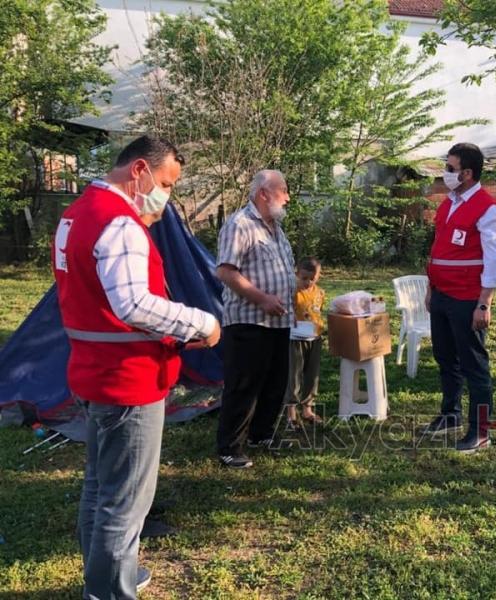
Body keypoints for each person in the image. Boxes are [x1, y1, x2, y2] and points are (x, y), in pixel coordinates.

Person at [52, 135, 221, 599]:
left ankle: (107, 575)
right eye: (166, 183)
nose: (166, 196)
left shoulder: (75, 215)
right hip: (129, 379)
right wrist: (200, 321)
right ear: (140, 170)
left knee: (100, 487)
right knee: (124, 502)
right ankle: (108, 590)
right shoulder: (119, 223)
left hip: (93, 372)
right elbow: (133, 304)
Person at [424, 143, 496, 453]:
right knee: (446, 358)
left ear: (468, 173)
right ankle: (450, 414)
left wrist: (484, 302)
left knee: (474, 364)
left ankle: (481, 430)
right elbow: (438, 248)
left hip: (468, 299)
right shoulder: (448, 203)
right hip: (442, 296)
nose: (445, 173)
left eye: (450, 168)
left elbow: (494, 261)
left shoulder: (489, 210)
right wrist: (431, 287)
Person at [216, 169, 295, 468]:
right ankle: (230, 447)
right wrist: (262, 298)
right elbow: (225, 271)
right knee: (243, 385)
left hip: (278, 322)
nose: (287, 197)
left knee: (275, 382)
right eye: (283, 190)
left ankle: (260, 433)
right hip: (249, 320)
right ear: (264, 193)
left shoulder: (275, 227)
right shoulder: (240, 224)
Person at [285, 257, 325, 428]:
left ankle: (307, 408)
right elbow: (285, 310)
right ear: (297, 275)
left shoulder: (320, 293)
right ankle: (291, 412)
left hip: (314, 338)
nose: (308, 282)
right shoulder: (291, 292)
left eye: (312, 278)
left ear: (318, 276)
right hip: (295, 339)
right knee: (293, 375)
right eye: (304, 278)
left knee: (312, 374)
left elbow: (318, 312)